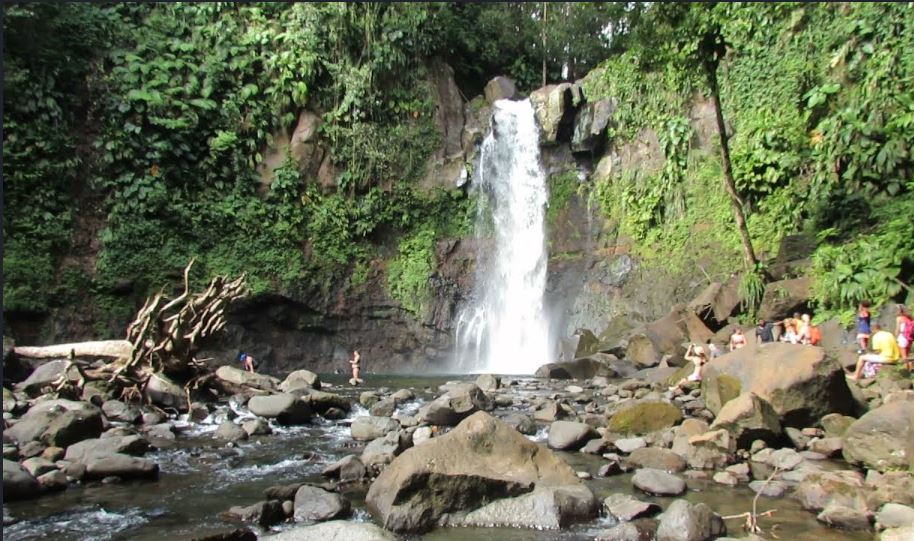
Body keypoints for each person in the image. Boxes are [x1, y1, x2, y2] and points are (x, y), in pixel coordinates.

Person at [895, 304, 913, 368]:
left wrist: (895, 338)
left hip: (902, 338)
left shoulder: (899, 318)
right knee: (907, 355)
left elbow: (898, 329)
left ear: (899, 311)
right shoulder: (910, 318)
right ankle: (911, 369)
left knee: (904, 356)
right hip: (909, 338)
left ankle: (906, 371)